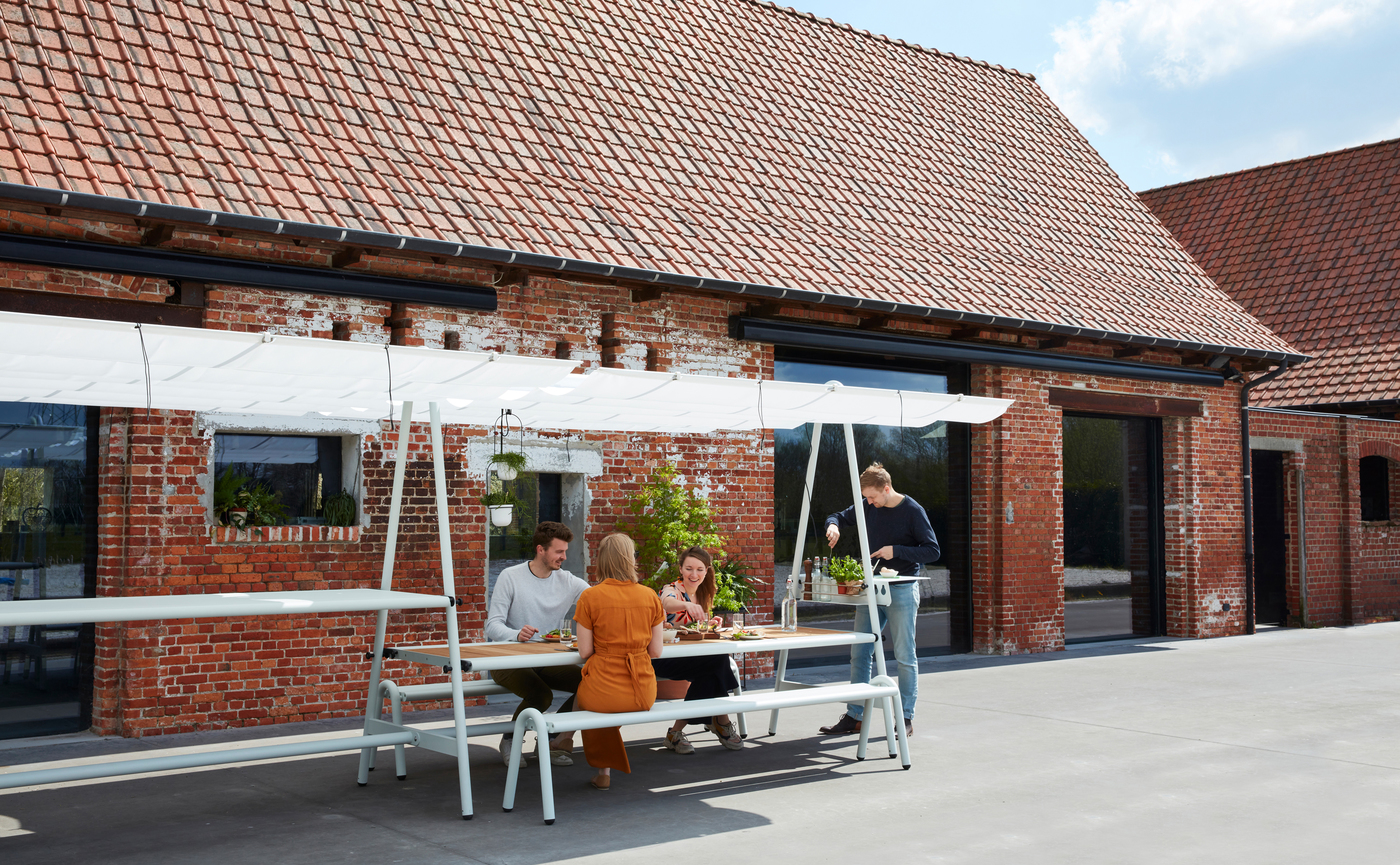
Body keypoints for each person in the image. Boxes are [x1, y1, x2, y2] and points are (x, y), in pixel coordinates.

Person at [818, 462, 939, 738]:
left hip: (902, 589)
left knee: (905, 655)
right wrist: (834, 526)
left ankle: (905, 717)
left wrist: (895, 551)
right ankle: (855, 716)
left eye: (872, 497)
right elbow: (838, 515)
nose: (868, 503)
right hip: (871, 589)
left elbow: (932, 551)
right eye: (866, 498)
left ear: (887, 488)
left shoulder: (913, 511)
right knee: (860, 651)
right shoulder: (869, 505)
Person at [485, 521, 589, 767]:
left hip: (547, 659)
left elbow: (598, 601)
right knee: (541, 695)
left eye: (565, 551)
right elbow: (492, 626)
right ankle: (510, 740)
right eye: (559, 552)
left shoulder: (568, 581)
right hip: (507, 659)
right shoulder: (510, 577)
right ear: (541, 549)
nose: (564, 557)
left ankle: (552, 740)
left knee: (590, 683)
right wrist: (515, 634)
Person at [573, 532, 665, 790]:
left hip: (603, 689)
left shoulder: (590, 597)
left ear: (602, 560)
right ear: (630, 560)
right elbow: (656, 651)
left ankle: (602, 769)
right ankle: (597, 765)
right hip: (642, 691)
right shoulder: (649, 596)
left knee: (590, 698)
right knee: (606, 704)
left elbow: (584, 651)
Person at [651, 546, 743, 753]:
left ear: (707, 570)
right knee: (718, 662)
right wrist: (685, 606)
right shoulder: (672, 589)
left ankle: (676, 733)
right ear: (681, 569)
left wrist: (711, 624)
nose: (694, 574)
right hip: (664, 657)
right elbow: (665, 603)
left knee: (712, 669)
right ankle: (721, 720)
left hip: (692, 657)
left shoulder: (703, 594)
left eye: (700, 569)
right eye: (689, 569)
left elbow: (695, 630)